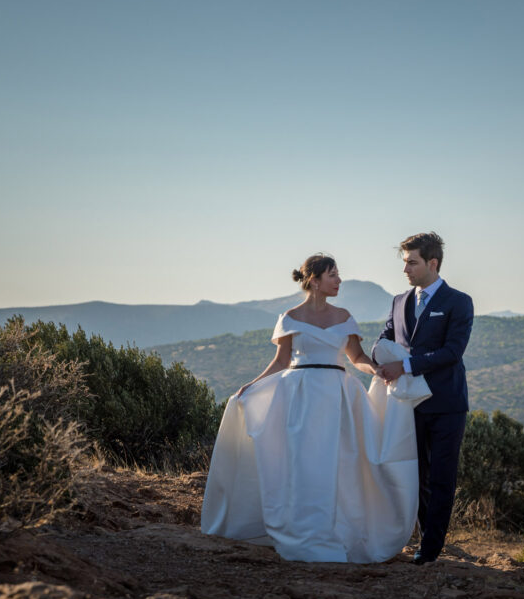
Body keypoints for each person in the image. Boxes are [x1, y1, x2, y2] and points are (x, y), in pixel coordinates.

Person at [200, 254, 423, 563]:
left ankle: (336, 529)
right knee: (302, 462)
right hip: (300, 395)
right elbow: (281, 361)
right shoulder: (290, 317)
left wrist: (377, 371)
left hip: (337, 395)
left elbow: (356, 358)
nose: (339, 280)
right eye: (333, 275)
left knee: (339, 462)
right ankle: (302, 527)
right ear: (314, 281)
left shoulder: (344, 316)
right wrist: (251, 386)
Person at [374, 232, 474, 565]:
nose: (406, 270)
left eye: (412, 263)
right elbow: (387, 336)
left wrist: (403, 366)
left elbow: (452, 352)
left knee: (442, 476)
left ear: (432, 263)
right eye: (404, 263)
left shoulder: (459, 302)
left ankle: (430, 549)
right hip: (406, 405)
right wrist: (377, 356)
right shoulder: (399, 300)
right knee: (413, 474)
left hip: (446, 404)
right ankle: (416, 535)